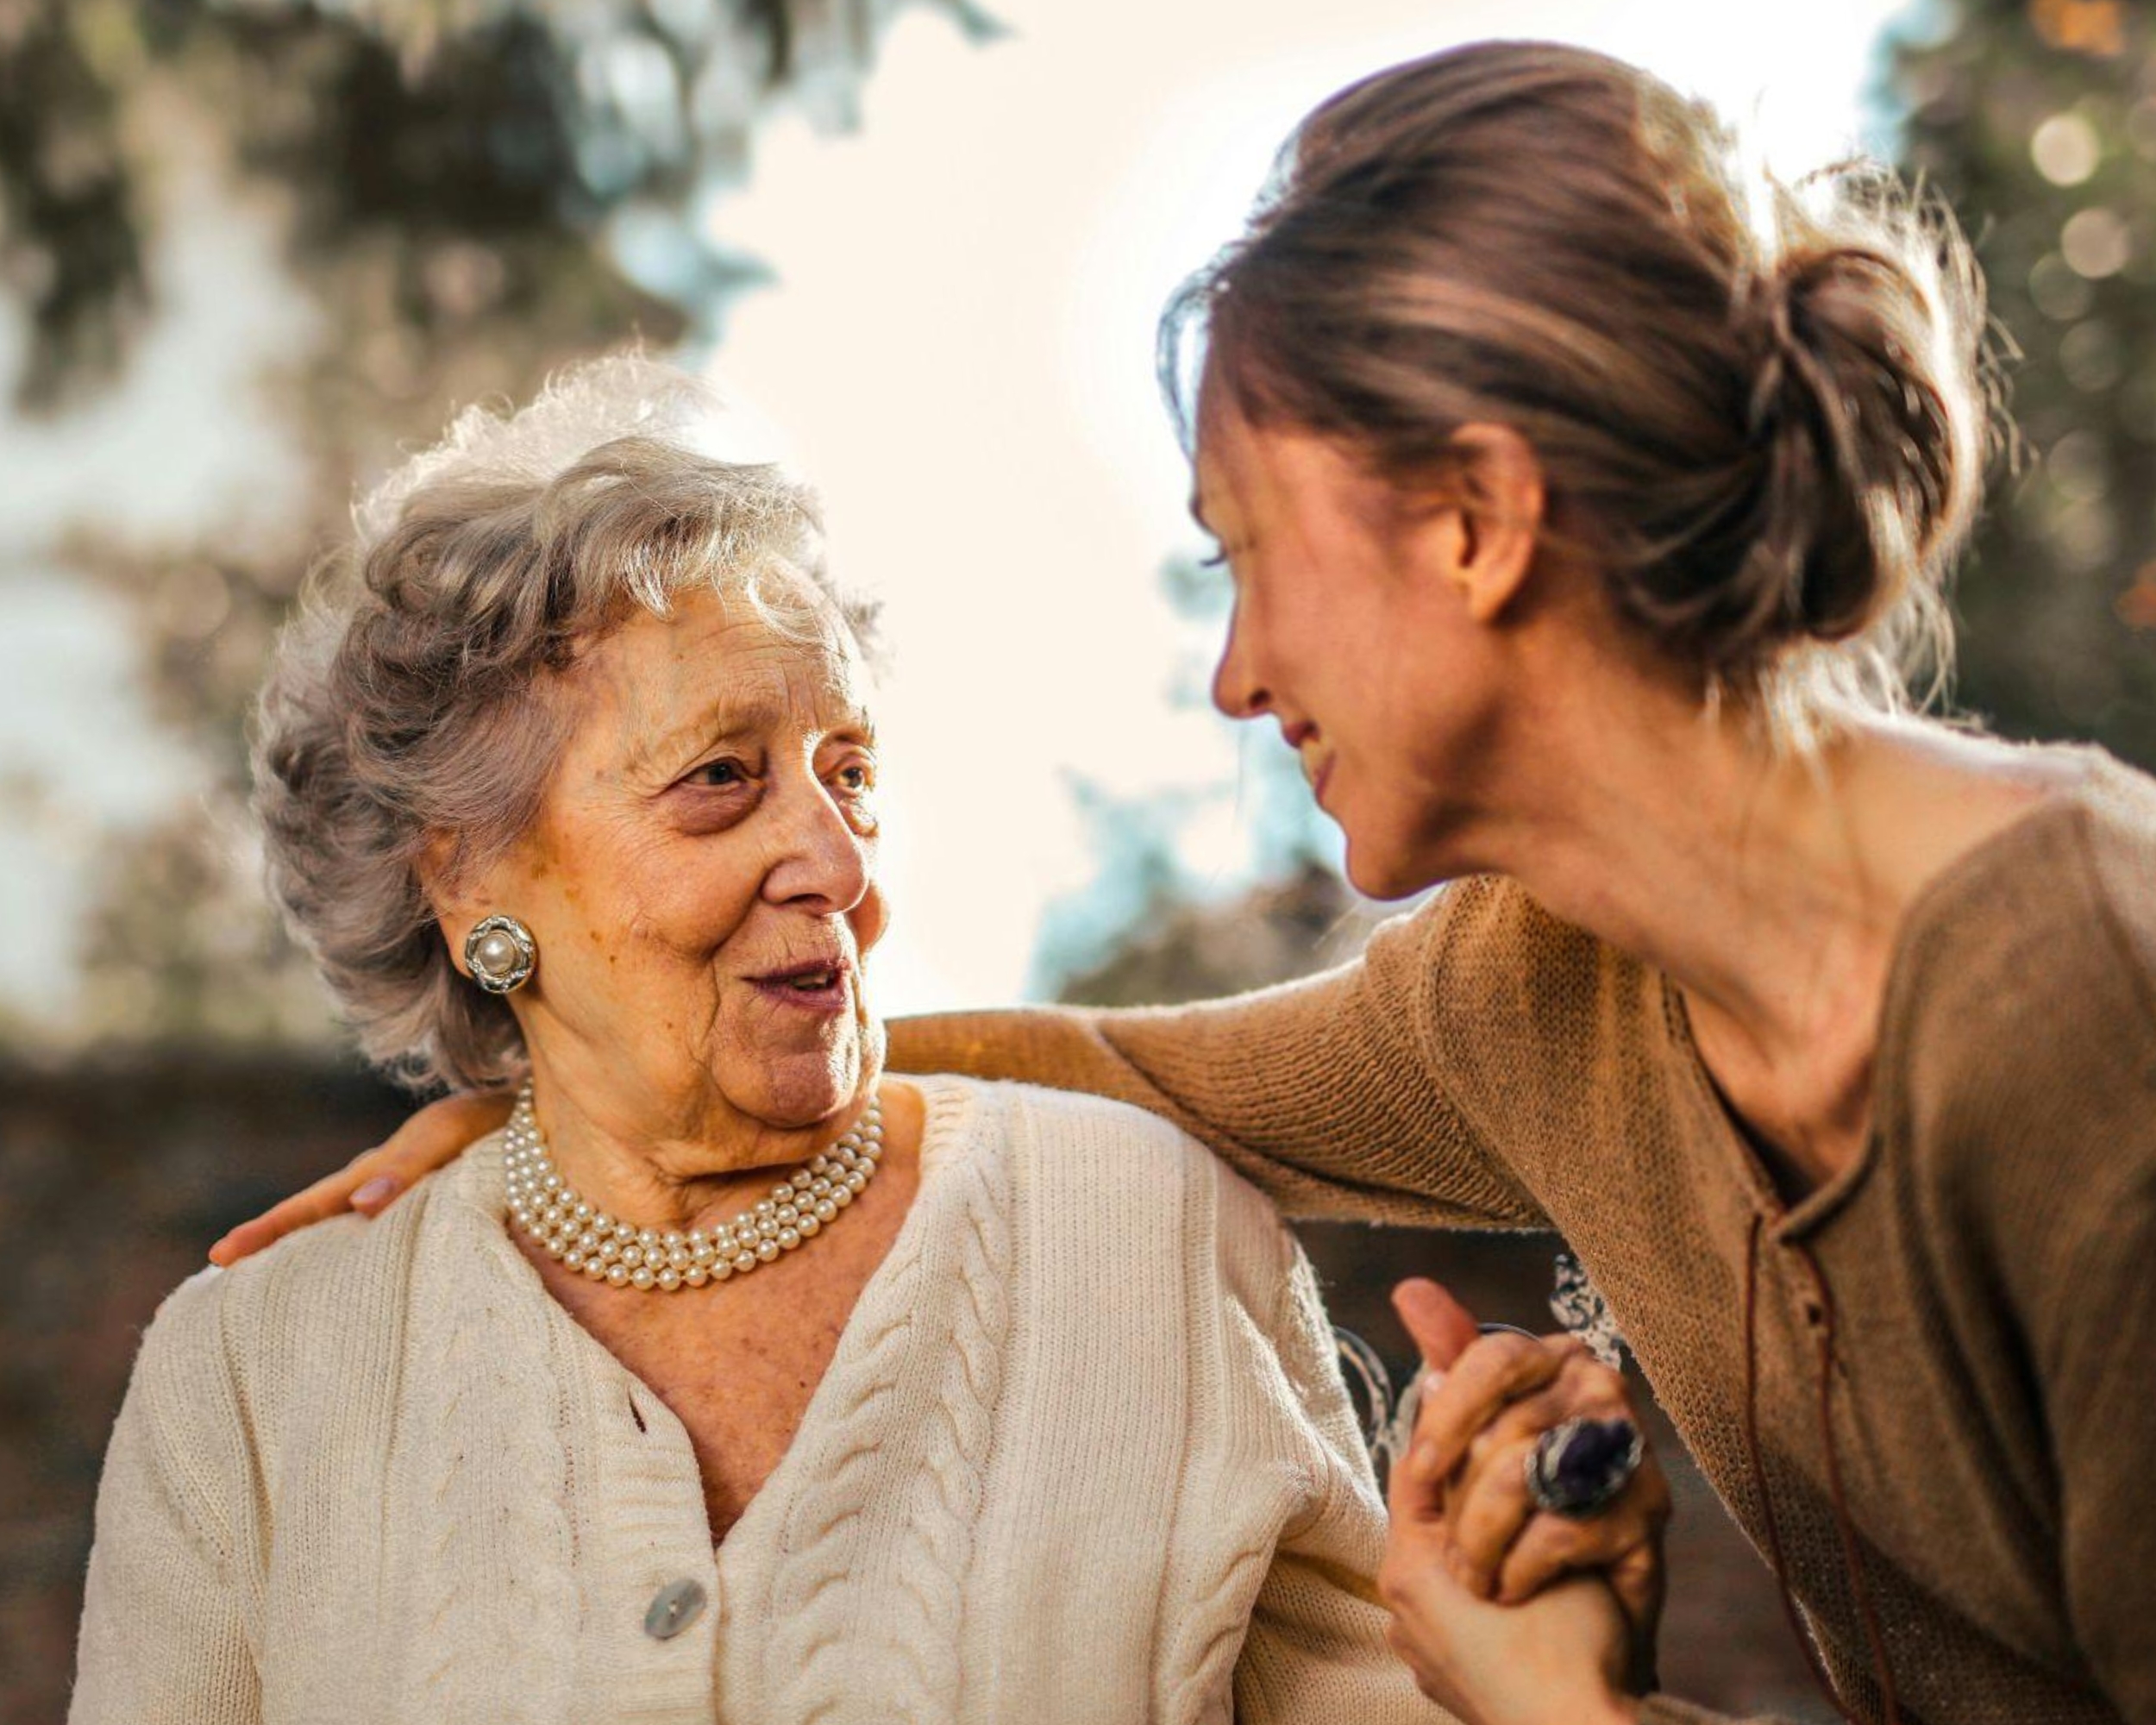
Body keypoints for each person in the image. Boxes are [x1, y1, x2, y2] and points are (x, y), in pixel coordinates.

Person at [215, 41, 2156, 1725]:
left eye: (1245, 552)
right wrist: (569, 1086)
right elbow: (1129, 1074)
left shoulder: (2077, 1000)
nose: (1233, 674)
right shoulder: (1532, 991)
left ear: (1474, 523)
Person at [70, 356, 1471, 1724]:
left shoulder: (1147, 1231)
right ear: (469, 878)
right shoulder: (251, 1378)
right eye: (721, 779)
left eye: (849, 774)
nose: (835, 860)